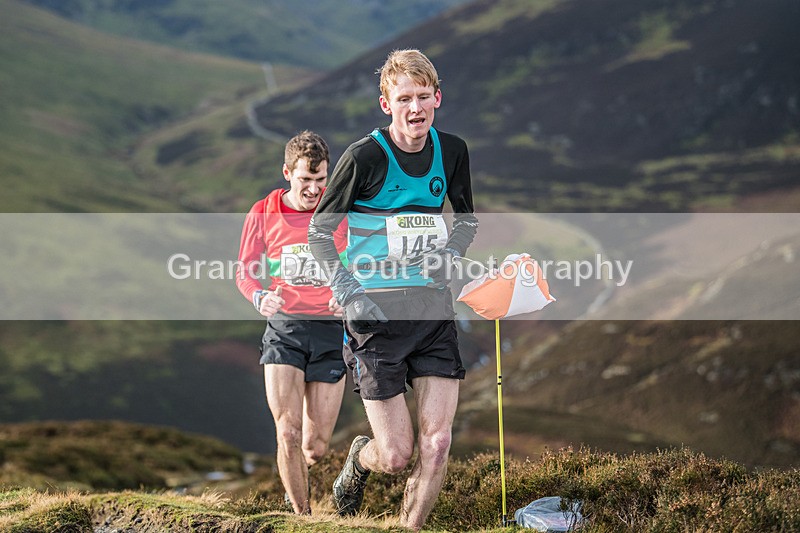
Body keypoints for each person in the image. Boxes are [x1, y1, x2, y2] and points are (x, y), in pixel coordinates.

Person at [308, 49, 478, 530]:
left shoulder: (453, 151)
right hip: (374, 318)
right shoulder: (363, 157)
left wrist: (449, 255)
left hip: (432, 312)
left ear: (438, 98)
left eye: (423, 96)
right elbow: (319, 233)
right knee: (397, 455)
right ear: (386, 104)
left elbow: (466, 220)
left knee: (437, 443)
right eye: (404, 98)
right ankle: (361, 458)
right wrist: (348, 290)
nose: (415, 108)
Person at [236, 130, 348, 515]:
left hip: (331, 330)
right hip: (285, 329)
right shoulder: (263, 211)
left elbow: (361, 264)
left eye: (321, 179)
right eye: (305, 179)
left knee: (315, 448)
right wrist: (259, 296)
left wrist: (346, 294)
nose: (314, 189)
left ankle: (346, 470)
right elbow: (245, 270)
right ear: (287, 173)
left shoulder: (339, 213)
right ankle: (302, 516)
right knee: (287, 431)